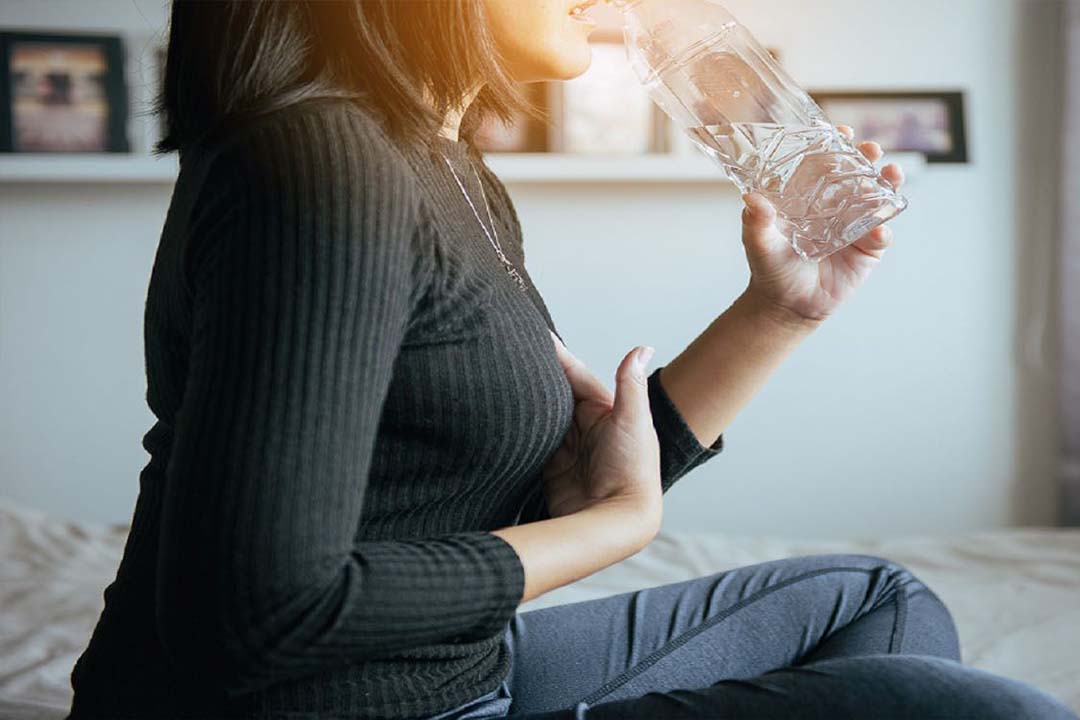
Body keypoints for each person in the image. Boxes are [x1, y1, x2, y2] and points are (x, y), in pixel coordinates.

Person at [66, 1, 1077, 719]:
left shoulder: (443, 164)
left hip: (442, 666)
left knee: (879, 598)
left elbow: (538, 500)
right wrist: (623, 527)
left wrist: (781, 310)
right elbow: (254, 613)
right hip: (336, 700)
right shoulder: (326, 166)